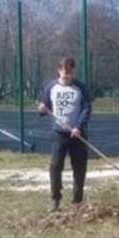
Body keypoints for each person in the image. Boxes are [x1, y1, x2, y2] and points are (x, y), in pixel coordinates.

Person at [38, 57, 92, 212]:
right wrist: (41, 109)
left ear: (73, 71)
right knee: (55, 166)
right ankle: (55, 199)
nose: (66, 74)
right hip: (59, 133)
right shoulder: (51, 87)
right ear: (58, 71)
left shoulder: (80, 88)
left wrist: (79, 127)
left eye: (69, 71)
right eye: (63, 71)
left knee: (79, 166)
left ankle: (77, 200)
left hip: (77, 134)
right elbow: (44, 107)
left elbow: (87, 108)